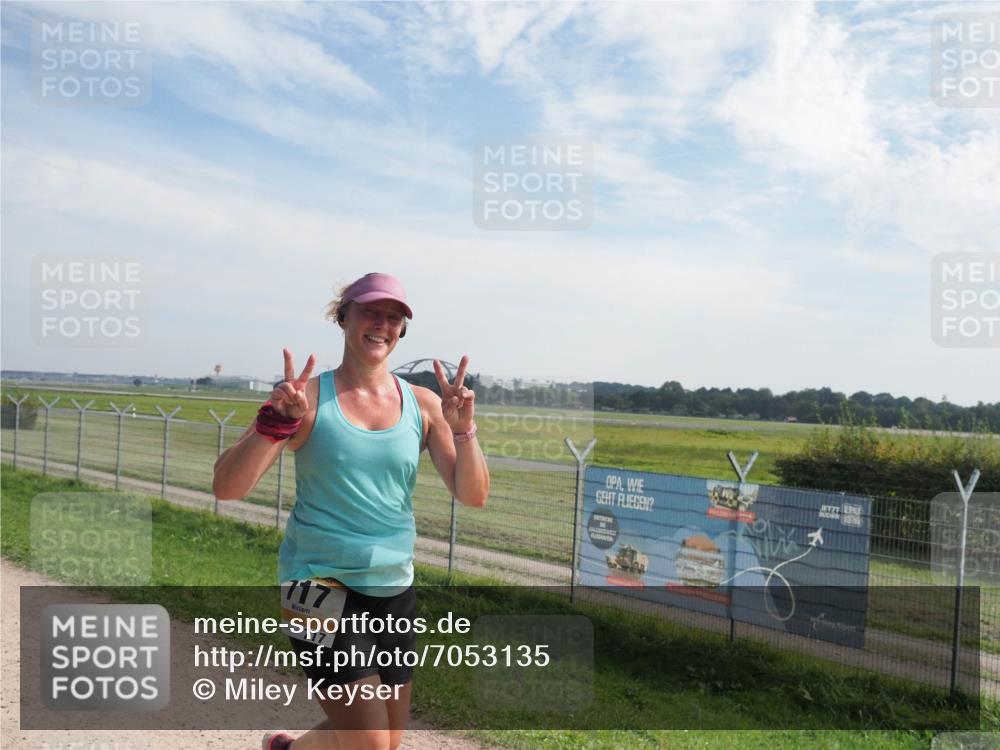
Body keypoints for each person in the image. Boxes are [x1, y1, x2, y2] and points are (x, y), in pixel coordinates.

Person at [212, 272, 490, 750]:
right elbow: (227, 487)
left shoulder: (423, 405)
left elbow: (473, 495)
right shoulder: (306, 401)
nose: (382, 324)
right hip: (316, 586)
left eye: (394, 317)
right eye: (370, 312)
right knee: (372, 745)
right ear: (343, 318)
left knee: (387, 740)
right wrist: (275, 424)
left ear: (402, 330)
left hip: (393, 586)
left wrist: (464, 431)